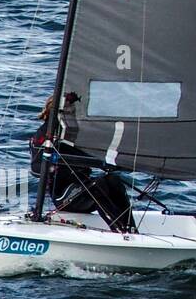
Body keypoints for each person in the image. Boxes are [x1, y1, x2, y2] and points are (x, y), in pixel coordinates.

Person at [29, 95, 135, 233]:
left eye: (74, 112)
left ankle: (131, 230)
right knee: (97, 185)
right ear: (55, 112)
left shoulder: (74, 134)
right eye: (69, 112)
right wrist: (55, 165)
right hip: (63, 197)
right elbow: (36, 168)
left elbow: (94, 156)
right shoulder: (45, 134)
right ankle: (119, 231)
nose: (73, 116)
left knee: (113, 180)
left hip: (83, 191)